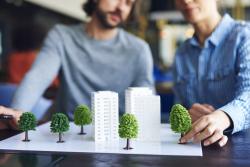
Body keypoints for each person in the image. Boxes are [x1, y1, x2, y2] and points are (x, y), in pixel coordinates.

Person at [0, 0, 153, 129]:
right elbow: (38, 76)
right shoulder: (62, 36)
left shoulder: (139, 50)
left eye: (128, 3)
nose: (121, 7)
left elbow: (146, 102)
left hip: (115, 134)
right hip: (65, 131)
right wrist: (18, 112)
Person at [173, 0, 250, 147]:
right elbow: (180, 108)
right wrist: (188, 116)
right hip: (193, 151)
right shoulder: (181, 54)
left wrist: (223, 117)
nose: (185, 1)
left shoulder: (245, 37)